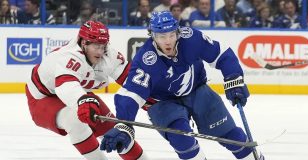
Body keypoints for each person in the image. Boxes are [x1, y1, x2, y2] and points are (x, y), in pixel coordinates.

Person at [100, 11, 265, 160]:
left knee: (231, 135)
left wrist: (234, 78)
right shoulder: (146, 59)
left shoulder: (191, 38)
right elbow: (131, 94)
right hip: (164, 102)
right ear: (152, 36)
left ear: (178, 31)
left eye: (172, 35)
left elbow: (221, 54)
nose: (168, 41)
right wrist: (124, 125)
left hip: (197, 91)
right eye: (162, 36)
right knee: (182, 141)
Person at [25, 20, 148, 160]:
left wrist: (147, 96)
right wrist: (82, 101)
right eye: (96, 46)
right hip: (42, 98)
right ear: (84, 43)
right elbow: (66, 85)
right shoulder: (68, 57)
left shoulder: (108, 54)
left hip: (77, 93)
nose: (101, 51)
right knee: (74, 121)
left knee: (118, 131)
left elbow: (130, 79)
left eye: (103, 46)